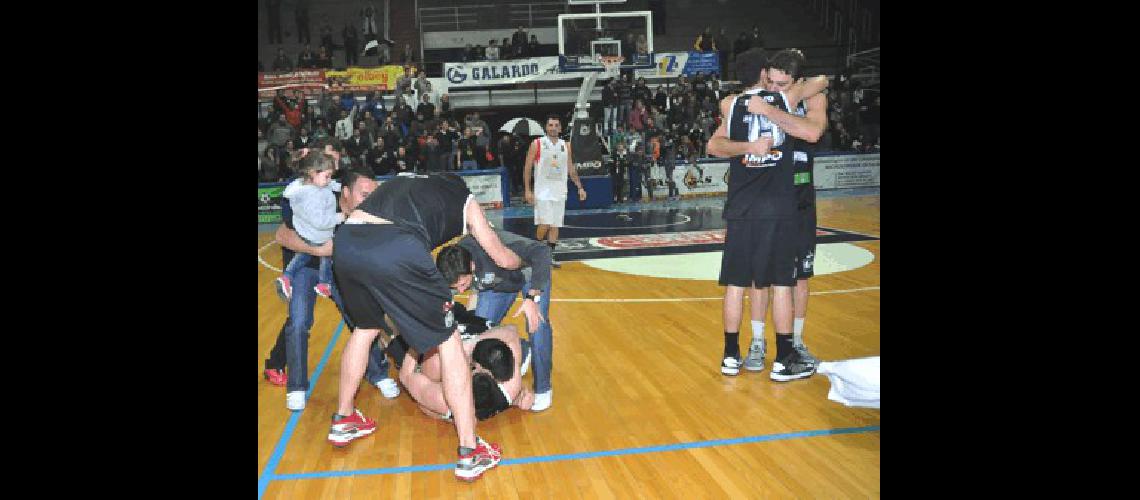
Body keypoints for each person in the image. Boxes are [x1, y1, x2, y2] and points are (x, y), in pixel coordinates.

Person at [329, 172, 523, 482]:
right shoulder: (465, 198)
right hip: (394, 246)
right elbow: (500, 256)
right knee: (449, 344)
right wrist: (521, 261)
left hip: (347, 244)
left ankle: (343, 418)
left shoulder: (406, 181)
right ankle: (470, 451)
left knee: (365, 329)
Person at [705, 48, 827, 380]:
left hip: (750, 205)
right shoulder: (785, 99)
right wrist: (755, 140)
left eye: (781, 82)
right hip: (777, 204)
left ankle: (733, 354)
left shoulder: (731, 105)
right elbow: (819, 84)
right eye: (771, 79)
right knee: (781, 283)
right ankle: (781, 355)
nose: (775, 86)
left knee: (737, 283)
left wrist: (751, 137)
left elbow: (714, 146)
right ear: (763, 74)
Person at [262, 167, 400, 410]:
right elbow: (283, 235)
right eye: (364, 194)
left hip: (341, 271)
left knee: (361, 319)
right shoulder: (318, 200)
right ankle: (296, 387)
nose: (370, 200)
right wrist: (321, 250)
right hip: (308, 267)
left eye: (373, 194)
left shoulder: (370, 215)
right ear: (346, 192)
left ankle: (377, 373)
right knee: (298, 322)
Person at [436, 226, 554, 410]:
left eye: (462, 284)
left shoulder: (493, 247)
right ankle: (523, 349)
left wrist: (531, 298)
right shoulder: (455, 266)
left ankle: (543, 388)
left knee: (537, 326)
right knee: (480, 335)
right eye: (456, 287)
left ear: (473, 266)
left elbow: (542, 251)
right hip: (499, 285)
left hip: (529, 274)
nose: (460, 291)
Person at [274, 149, 343, 302]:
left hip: (308, 232)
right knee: (323, 253)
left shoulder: (314, 182)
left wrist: (341, 187)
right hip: (316, 233)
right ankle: (319, 282)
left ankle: (291, 278)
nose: (329, 179)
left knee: (311, 255)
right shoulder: (311, 196)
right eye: (327, 175)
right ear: (312, 173)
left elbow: (331, 184)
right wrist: (341, 216)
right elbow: (321, 222)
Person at [523, 115, 587, 269]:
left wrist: (580, 187)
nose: (553, 128)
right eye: (550, 125)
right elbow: (527, 167)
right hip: (542, 192)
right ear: (546, 127)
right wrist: (527, 190)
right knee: (545, 223)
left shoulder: (566, 145)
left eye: (556, 125)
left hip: (559, 191)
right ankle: (534, 252)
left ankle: (548, 256)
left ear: (560, 128)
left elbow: (571, 169)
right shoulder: (537, 144)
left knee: (555, 226)